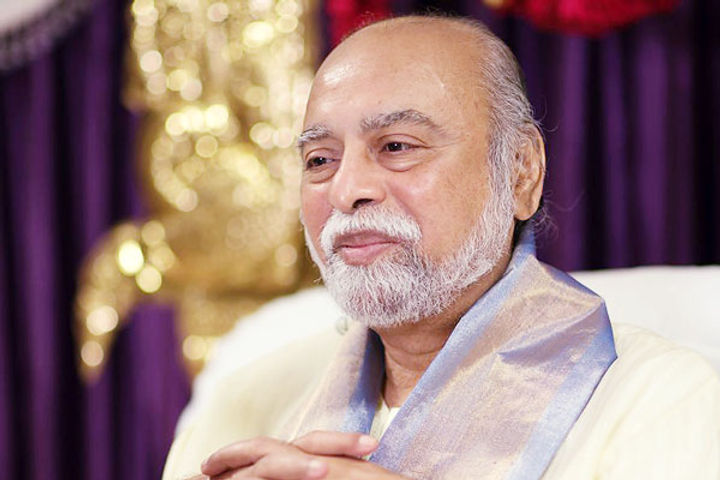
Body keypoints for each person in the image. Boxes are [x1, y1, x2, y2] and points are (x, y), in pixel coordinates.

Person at [162, 15, 720, 480]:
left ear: (521, 171)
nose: (346, 190)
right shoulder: (239, 406)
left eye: (396, 146)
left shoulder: (663, 399)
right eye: (320, 159)